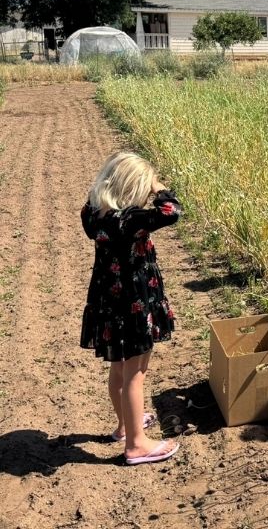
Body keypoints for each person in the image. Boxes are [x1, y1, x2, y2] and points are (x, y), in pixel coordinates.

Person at [80, 151, 182, 464]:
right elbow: (171, 211)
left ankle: (125, 426)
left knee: (120, 368)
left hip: (109, 303)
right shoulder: (131, 220)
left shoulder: (93, 214)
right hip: (135, 303)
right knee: (136, 373)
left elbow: (95, 200)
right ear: (135, 189)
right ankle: (137, 444)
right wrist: (158, 187)